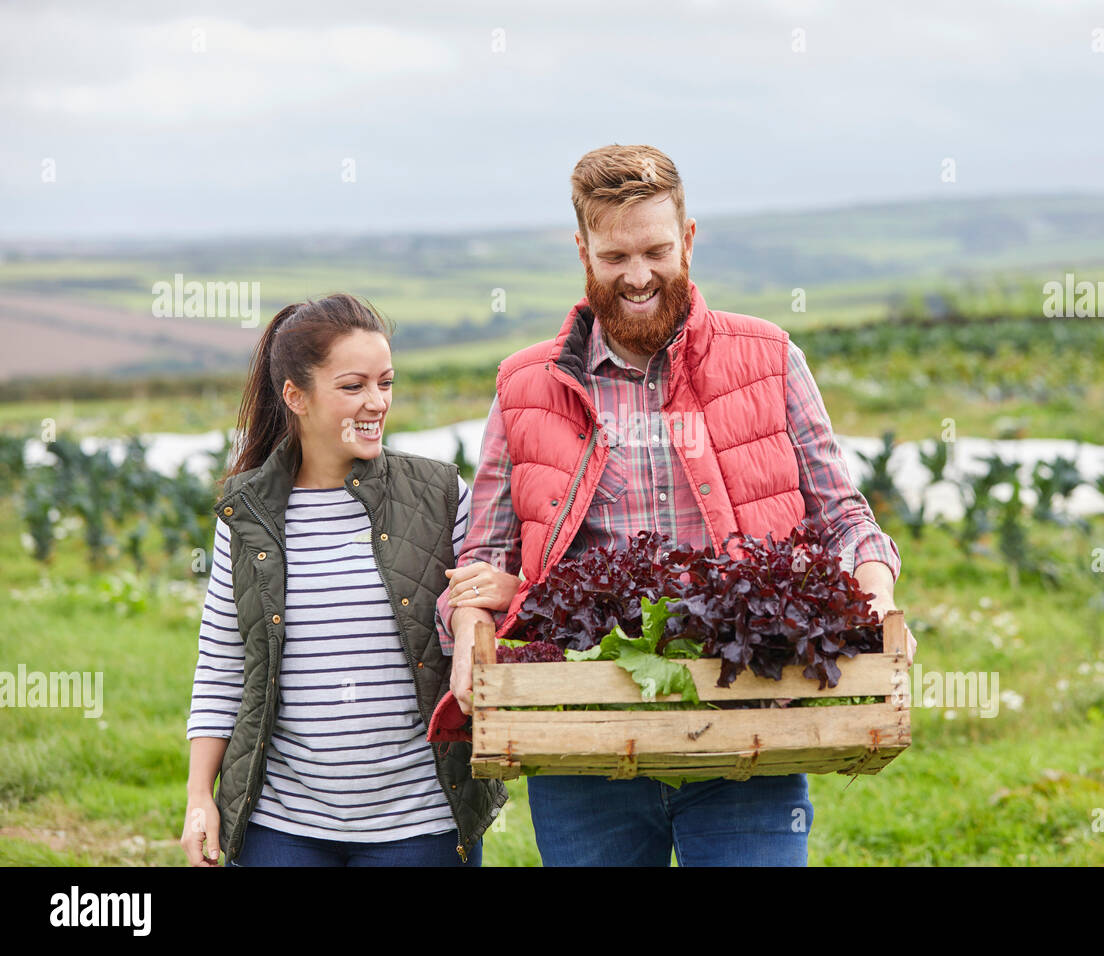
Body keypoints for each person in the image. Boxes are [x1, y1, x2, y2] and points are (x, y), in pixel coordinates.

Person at [440, 144, 916, 867]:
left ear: (688, 239)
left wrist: (875, 601)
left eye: (656, 250)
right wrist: (470, 625)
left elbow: (843, 517)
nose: (637, 276)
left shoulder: (769, 356)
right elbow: (483, 556)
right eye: (614, 257)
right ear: (583, 252)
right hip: (583, 738)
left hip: (749, 727)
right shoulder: (526, 385)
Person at [180, 293, 512, 867]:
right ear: (296, 396)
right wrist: (198, 797)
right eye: (353, 386)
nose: (377, 402)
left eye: (386, 383)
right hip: (281, 826)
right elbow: (222, 666)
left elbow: (485, 606)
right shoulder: (249, 515)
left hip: (422, 823)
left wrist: (509, 587)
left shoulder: (438, 495)